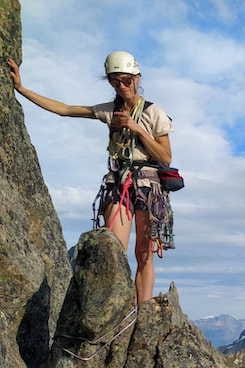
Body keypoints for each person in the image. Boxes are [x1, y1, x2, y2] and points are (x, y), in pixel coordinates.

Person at [6, 51, 174, 305]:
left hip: (148, 185)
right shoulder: (109, 111)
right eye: (115, 81)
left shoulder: (154, 113)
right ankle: (117, 309)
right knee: (112, 249)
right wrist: (21, 88)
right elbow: (64, 109)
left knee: (144, 254)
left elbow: (165, 157)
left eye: (126, 80)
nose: (122, 86)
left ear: (137, 78)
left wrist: (137, 128)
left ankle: (142, 314)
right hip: (120, 182)